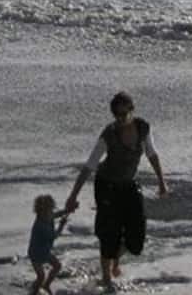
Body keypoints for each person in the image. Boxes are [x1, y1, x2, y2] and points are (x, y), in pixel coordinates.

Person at [63, 91, 168, 290]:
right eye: (117, 115)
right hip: (106, 186)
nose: (121, 119)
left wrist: (162, 182)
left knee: (136, 240)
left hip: (129, 184)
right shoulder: (109, 134)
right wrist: (72, 196)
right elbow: (89, 166)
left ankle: (115, 259)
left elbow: (152, 155)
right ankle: (106, 278)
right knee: (108, 232)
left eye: (124, 113)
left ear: (132, 110)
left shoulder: (143, 128)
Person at [27, 194, 73, 295]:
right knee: (41, 276)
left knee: (57, 266)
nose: (51, 213)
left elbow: (55, 215)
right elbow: (54, 236)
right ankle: (34, 291)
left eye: (51, 210)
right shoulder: (41, 226)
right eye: (48, 211)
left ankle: (46, 285)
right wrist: (61, 225)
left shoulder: (47, 216)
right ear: (40, 212)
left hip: (45, 251)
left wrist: (67, 210)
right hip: (35, 254)